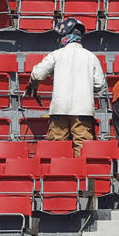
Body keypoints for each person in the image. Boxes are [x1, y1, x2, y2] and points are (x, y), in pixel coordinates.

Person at [25, 20, 107, 153]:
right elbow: (99, 84)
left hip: (59, 109)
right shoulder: (91, 57)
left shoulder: (56, 55)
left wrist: (32, 86)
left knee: (57, 147)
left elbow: (37, 74)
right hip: (83, 110)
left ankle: (59, 173)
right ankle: (81, 173)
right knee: (83, 147)